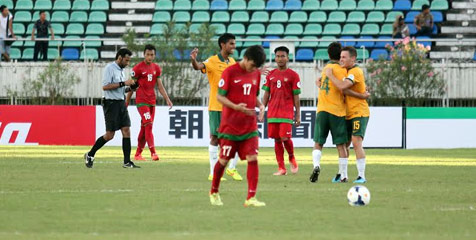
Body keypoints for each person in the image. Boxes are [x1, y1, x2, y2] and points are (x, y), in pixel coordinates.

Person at [209, 45, 266, 207]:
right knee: (224, 160)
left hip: (249, 127)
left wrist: (261, 106)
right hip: (230, 127)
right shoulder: (230, 72)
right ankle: (214, 191)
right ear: (246, 58)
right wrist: (236, 107)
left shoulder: (255, 73)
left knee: (253, 158)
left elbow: (254, 95)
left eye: (257, 67)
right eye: (253, 65)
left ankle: (251, 198)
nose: (254, 69)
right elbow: (220, 97)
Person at [190, 33, 243, 181]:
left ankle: (231, 169)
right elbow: (198, 67)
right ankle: (213, 173)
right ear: (223, 45)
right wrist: (194, 60)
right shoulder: (212, 61)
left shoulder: (232, 62)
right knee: (215, 138)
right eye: (231, 44)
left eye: (234, 43)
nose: (234, 46)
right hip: (217, 107)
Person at [84, 48, 140, 168]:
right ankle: (90, 154)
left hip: (120, 102)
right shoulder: (109, 68)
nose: (127, 63)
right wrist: (124, 83)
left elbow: (120, 89)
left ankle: (126, 162)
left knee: (126, 130)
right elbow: (105, 86)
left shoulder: (121, 70)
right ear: (119, 58)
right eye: (126, 60)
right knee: (110, 135)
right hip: (111, 104)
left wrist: (131, 88)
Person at [325, 46, 370, 184]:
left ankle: (361, 175)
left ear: (353, 58)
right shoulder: (347, 71)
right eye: (340, 57)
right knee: (345, 144)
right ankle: (342, 174)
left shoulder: (355, 71)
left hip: (358, 112)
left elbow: (343, 87)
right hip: (347, 113)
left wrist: (330, 75)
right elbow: (343, 90)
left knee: (356, 142)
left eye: (344, 57)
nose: (341, 59)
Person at [309, 42, 349, 183]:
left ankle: (316, 165)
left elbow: (324, 85)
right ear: (340, 55)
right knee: (341, 145)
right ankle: (343, 174)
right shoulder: (341, 70)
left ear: (328, 54)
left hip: (322, 109)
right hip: (336, 111)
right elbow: (343, 88)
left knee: (318, 143)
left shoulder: (326, 68)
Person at [125, 44, 173, 161]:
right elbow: (132, 86)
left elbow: (160, 86)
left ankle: (137, 154)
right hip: (141, 102)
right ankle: (153, 153)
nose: (150, 57)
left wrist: (167, 98)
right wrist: (126, 102)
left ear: (154, 55)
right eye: (148, 54)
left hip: (152, 102)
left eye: (152, 55)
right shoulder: (137, 69)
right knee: (149, 124)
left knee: (145, 127)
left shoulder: (156, 68)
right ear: (144, 55)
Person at [262, 46, 301, 176]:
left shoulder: (293, 76)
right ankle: (281, 168)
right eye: (278, 56)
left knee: (285, 137)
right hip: (273, 112)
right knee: (277, 139)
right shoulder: (271, 75)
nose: (280, 59)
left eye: (282, 56)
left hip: (286, 111)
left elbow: (296, 96)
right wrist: (262, 109)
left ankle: (291, 157)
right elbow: (266, 94)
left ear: (287, 57)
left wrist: (298, 114)